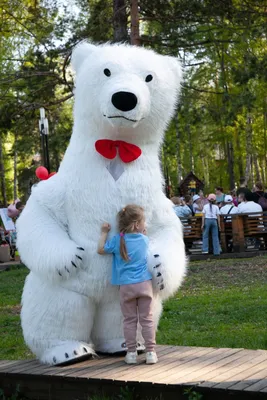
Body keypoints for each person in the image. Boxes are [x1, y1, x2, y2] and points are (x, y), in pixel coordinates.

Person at [97, 204, 158, 365]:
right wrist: (144, 234)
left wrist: (104, 232)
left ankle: (131, 353)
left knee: (129, 320)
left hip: (126, 287)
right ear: (137, 224)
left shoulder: (118, 240)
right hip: (144, 285)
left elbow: (101, 249)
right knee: (147, 319)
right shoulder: (144, 240)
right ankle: (150, 352)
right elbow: (147, 246)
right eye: (143, 222)